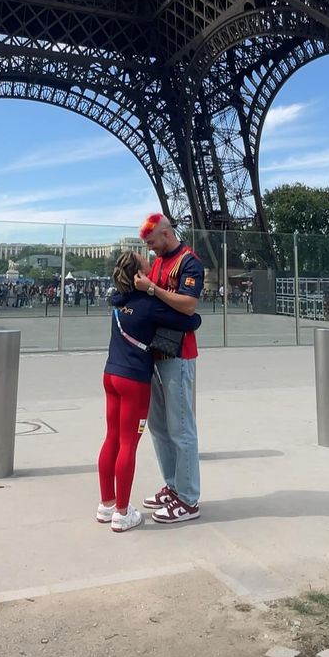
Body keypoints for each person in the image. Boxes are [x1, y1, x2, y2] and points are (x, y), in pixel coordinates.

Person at [98, 251, 201, 533]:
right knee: (129, 445)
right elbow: (192, 320)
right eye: (144, 260)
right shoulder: (148, 305)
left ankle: (106, 504)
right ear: (139, 274)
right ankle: (122, 513)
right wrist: (157, 293)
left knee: (112, 439)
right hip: (134, 381)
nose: (150, 259)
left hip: (110, 374)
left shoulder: (118, 300)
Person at [133, 213, 204, 524]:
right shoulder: (159, 260)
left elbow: (189, 304)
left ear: (165, 233)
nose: (150, 249)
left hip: (179, 354)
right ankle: (174, 487)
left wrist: (152, 290)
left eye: (152, 243)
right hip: (156, 352)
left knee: (181, 428)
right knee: (159, 427)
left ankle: (188, 499)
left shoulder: (190, 262)